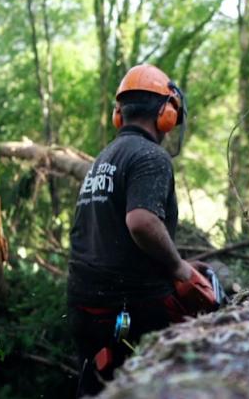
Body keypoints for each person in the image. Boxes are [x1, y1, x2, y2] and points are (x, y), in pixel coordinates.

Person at [66, 64, 217, 396]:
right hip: (132, 307)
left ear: (119, 114)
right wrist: (179, 270)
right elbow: (142, 222)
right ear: (166, 112)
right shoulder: (151, 156)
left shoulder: (103, 159)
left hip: (84, 303)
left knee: (96, 387)